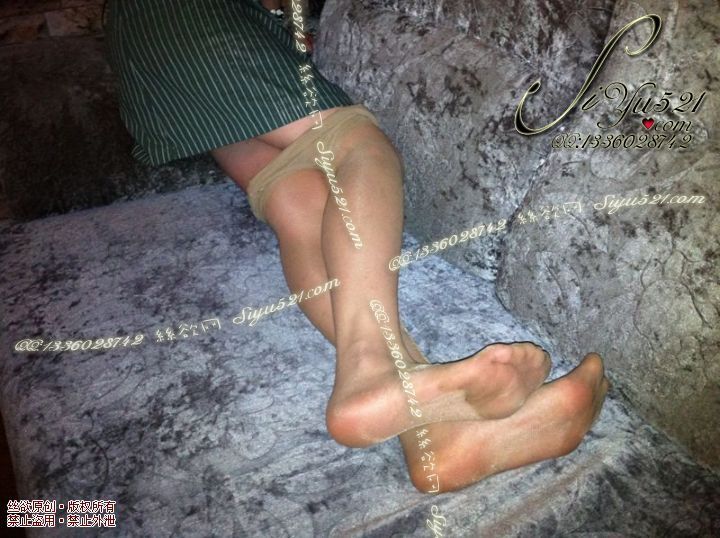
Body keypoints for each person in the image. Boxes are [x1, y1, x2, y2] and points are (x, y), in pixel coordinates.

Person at [103, 0, 610, 493]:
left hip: (148, 50)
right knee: (354, 144)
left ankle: (436, 437)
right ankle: (369, 370)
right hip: (184, 13)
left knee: (298, 198)